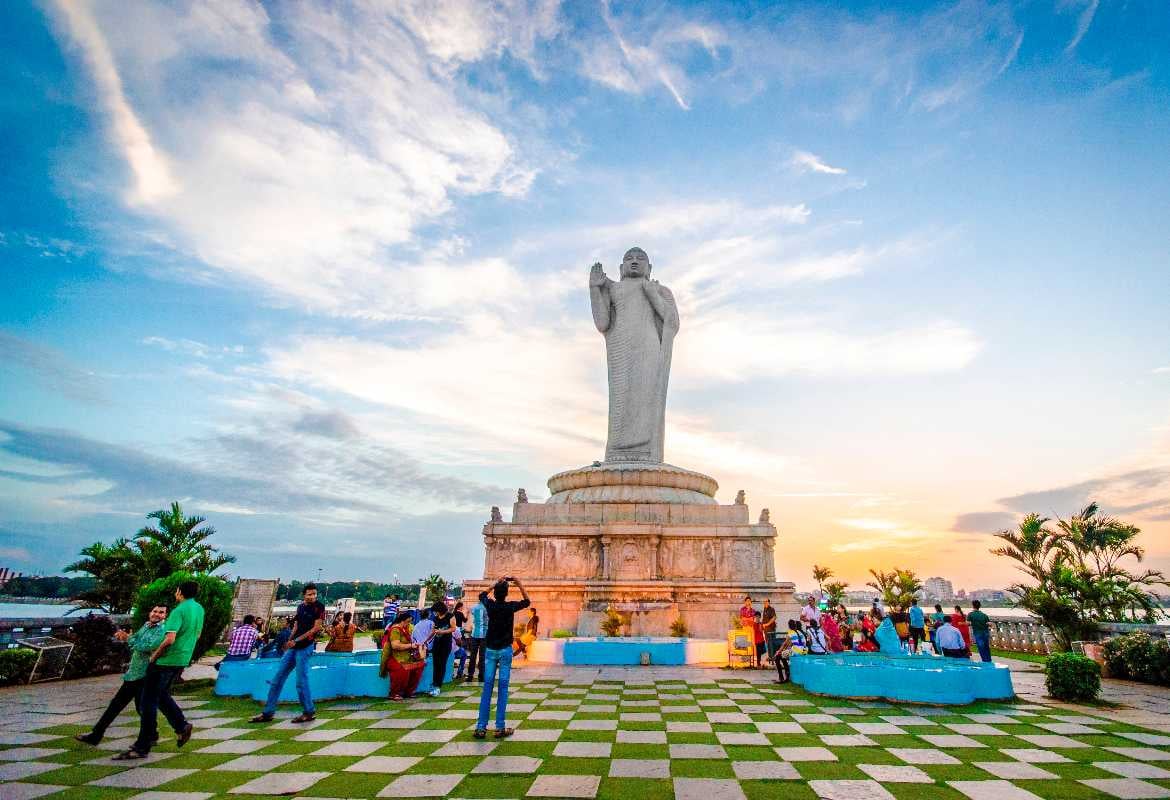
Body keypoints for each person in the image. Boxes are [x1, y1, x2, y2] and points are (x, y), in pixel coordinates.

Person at [115, 581, 204, 760]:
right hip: (181, 659)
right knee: (161, 695)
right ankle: (181, 726)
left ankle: (143, 745)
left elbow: (169, 638)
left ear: (179, 592)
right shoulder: (199, 609)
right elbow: (198, 634)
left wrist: (155, 656)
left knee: (147, 703)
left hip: (165, 660)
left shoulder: (178, 611)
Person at [76, 605, 168, 746]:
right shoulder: (146, 625)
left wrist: (129, 639)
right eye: (155, 611)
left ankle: (151, 735)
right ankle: (97, 734)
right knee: (120, 705)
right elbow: (136, 640)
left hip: (145, 674)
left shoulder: (162, 630)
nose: (157, 614)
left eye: (161, 612)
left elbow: (147, 646)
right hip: (133, 673)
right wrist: (128, 638)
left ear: (165, 616)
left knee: (138, 707)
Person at [250, 583, 325, 724]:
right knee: (278, 678)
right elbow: (296, 626)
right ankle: (268, 712)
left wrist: (295, 641)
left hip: (305, 647)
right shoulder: (301, 607)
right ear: (304, 595)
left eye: (314, 594)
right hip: (293, 647)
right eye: (309, 594)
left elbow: (316, 628)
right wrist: (289, 641)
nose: (313, 596)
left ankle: (309, 712)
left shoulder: (319, 607)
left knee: (301, 681)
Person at [474, 576, 529, 740]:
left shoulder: (490, 605)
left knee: (487, 688)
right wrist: (519, 584)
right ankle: (499, 727)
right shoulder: (509, 607)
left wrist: (494, 584)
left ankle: (481, 727)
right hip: (505, 650)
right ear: (506, 594)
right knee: (503, 689)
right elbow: (527, 602)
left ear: (496, 593)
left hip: (491, 649)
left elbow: (482, 595)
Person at [380, 610, 424, 700]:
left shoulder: (408, 628)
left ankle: (409, 691)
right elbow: (395, 646)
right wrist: (411, 645)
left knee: (419, 666)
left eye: (410, 622)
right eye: (407, 622)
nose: (408, 624)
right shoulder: (395, 629)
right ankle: (394, 693)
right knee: (401, 669)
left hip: (408, 657)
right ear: (402, 621)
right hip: (395, 657)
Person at [429, 601, 456, 696]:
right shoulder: (435, 618)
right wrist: (425, 641)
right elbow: (433, 631)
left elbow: (453, 628)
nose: (435, 613)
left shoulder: (450, 616)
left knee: (442, 664)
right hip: (437, 643)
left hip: (446, 643)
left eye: (436, 611)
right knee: (435, 664)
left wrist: (442, 631)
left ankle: (438, 686)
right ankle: (434, 683)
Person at [462, 595, 487, 682]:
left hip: (474, 634)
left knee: (473, 656)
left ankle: (470, 675)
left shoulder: (474, 608)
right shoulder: (487, 608)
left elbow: (472, 615)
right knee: (482, 656)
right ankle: (481, 676)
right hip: (484, 635)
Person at [760, 598, 777, 665]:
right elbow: (764, 619)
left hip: (771, 629)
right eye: (764, 602)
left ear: (769, 602)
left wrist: (767, 624)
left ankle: (773, 657)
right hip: (766, 630)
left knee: (772, 643)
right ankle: (770, 656)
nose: (765, 603)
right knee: (768, 643)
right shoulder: (765, 609)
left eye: (766, 602)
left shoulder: (771, 609)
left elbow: (774, 617)